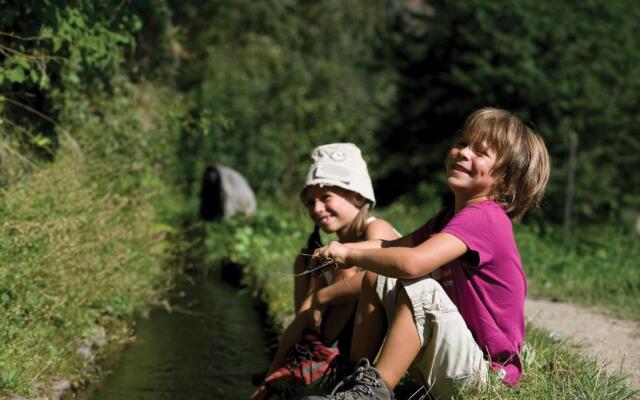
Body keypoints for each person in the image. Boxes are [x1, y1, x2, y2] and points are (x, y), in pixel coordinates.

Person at [304, 108, 551, 400]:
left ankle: (372, 395)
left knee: (420, 287)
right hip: (455, 356)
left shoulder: (485, 217)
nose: (462, 153)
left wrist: (350, 255)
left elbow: (412, 262)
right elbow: (394, 246)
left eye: (480, 151)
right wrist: (342, 250)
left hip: (485, 378)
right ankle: (354, 379)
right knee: (375, 276)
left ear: (506, 181)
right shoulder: (451, 217)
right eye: (462, 143)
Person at [251, 143, 399, 399]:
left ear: (357, 196)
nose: (317, 208)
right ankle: (306, 359)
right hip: (338, 335)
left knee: (345, 270)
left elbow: (378, 276)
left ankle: (335, 366)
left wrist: (323, 297)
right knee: (304, 261)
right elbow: (304, 316)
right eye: (310, 202)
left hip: (388, 329)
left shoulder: (377, 229)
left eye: (325, 198)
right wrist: (269, 378)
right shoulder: (319, 253)